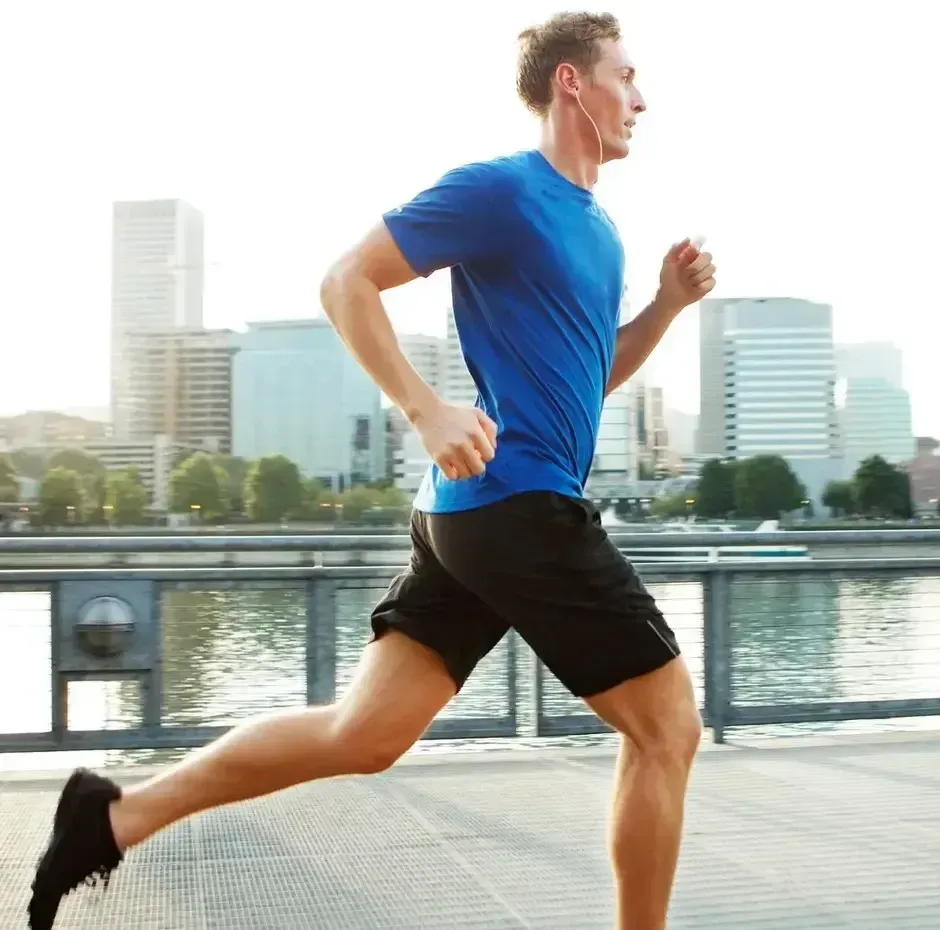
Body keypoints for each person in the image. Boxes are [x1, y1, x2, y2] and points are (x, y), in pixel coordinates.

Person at [28, 12, 713, 930]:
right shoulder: (502, 191)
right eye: (626, 75)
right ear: (570, 85)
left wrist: (665, 306)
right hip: (516, 507)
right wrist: (422, 407)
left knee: (365, 735)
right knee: (667, 731)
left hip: (477, 515)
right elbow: (345, 278)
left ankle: (111, 819)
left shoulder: (600, 230)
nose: (642, 95)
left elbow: (591, 380)